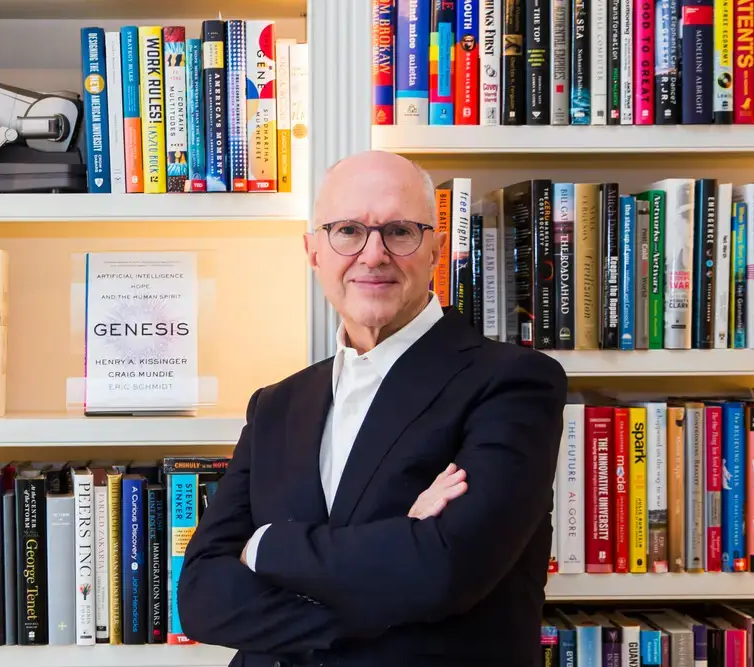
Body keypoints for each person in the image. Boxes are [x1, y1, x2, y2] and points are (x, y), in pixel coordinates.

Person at [177, 150, 568, 667]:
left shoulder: (513, 383)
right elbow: (202, 598)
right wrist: (388, 566)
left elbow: (444, 571)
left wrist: (267, 547)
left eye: (400, 231)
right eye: (347, 231)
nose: (373, 254)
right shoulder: (276, 404)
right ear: (314, 251)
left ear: (437, 251)